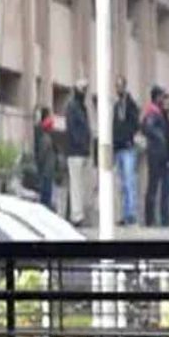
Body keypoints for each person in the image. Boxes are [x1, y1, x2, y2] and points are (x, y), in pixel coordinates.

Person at [141, 86, 169, 227]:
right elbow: (148, 129)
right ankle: (150, 219)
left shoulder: (161, 114)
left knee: (164, 190)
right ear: (156, 97)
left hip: (163, 156)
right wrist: (161, 140)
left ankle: (164, 218)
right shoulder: (153, 113)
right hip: (156, 156)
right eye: (162, 97)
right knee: (153, 188)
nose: (165, 100)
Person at [112, 75, 140, 225]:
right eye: (117, 86)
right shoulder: (116, 106)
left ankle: (131, 214)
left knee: (130, 181)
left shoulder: (131, 105)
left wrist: (128, 136)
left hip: (128, 148)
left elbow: (135, 124)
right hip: (118, 149)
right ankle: (124, 213)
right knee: (122, 184)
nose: (118, 89)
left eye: (120, 86)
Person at [64, 79, 91, 227]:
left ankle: (77, 213)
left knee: (80, 185)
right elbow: (73, 130)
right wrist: (81, 145)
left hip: (81, 151)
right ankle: (76, 215)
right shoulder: (72, 107)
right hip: (75, 151)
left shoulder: (82, 107)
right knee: (76, 184)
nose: (84, 92)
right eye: (82, 89)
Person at [33, 107, 58, 210]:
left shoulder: (42, 133)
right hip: (46, 169)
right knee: (46, 192)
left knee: (47, 191)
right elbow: (42, 154)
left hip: (47, 168)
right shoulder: (45, 136)